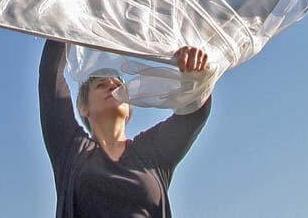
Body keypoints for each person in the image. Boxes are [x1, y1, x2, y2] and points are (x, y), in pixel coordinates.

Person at [39, 39, 211, 217]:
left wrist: (195, 74)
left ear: (129, 108)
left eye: (119, 85)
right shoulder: (73, 150)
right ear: (84, 108)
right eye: (101, 85)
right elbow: (50, 77)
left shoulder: (150, 152)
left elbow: (194, 114)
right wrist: (63, 22)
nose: (112, 85)